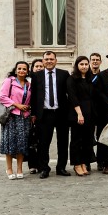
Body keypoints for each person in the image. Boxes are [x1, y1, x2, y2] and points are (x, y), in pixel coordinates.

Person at [30, 50, 71, 179]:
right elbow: (34, 97)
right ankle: (44, 168)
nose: (49, 61)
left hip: (61, 113)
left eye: (51, 59)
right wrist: (33, 113)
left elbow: (69, 94)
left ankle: (61, 167)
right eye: (46, 59)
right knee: (43, 143)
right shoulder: (36, 76)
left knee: (63, 142)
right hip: (45, 114)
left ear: (56, 61)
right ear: (43, 61)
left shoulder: (64, 74)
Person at [0, 61, 31, 180]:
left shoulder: (28, 84)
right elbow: (2, 97)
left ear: (27, 71)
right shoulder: (9, 81)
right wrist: (17, 105)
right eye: (19, 68)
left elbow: (29, 100)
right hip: (11, 116)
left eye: (24, 69)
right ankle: (9, 168)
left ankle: (20, 169)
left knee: (22, 144)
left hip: (24, 117)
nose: (21, 70)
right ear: (16, 70)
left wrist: (28, 108)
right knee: (10, 143)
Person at [67, 55, 95, 177]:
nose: (84, 66)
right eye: (81, 64)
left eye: (86, 64)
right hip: (77, 113)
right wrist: (79, 114)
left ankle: (84, 162)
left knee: (87, 140)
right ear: (77, 66)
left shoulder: (90, 78)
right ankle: (76, 164)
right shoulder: (72, 79)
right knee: (76, 140)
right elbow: (73, 97)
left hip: (90, 113)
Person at [25, 58, 44, 174]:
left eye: (41, 66)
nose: (39, 68)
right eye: (36, 66)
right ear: (32, 68)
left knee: (41, 141)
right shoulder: (28, 81)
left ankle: (41, 164)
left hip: (40, 115)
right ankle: (32, 165)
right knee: (31, 141)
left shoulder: (44, 79)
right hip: (29, 114)